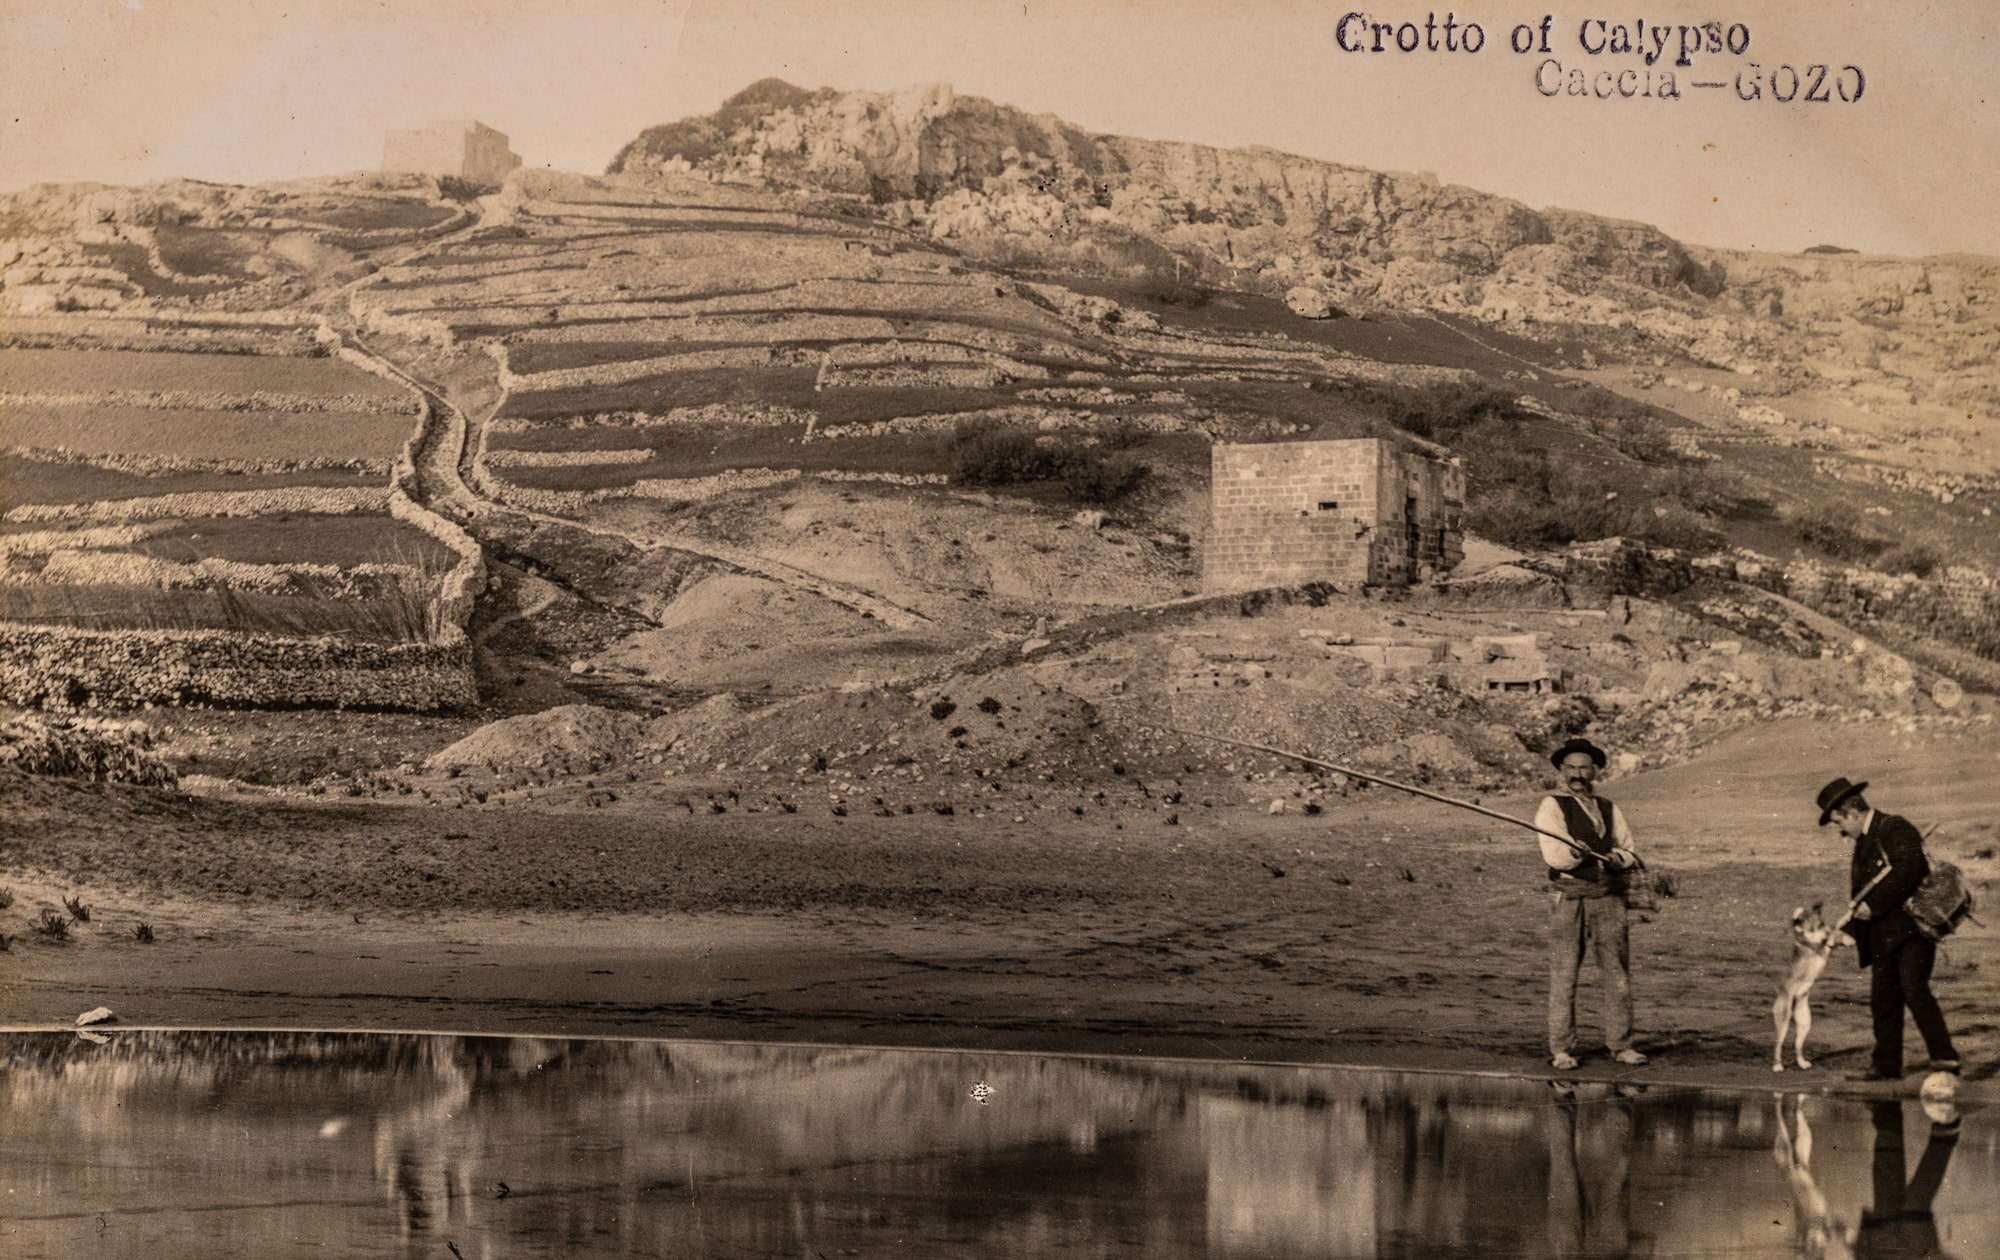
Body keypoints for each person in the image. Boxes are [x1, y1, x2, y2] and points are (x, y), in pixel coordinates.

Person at [1816, 778, 1960, 1081]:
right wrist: (1851, 932)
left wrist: (1875, 906)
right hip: (1883, 937)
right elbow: (1864, 898)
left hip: (1913, 933)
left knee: (1914, 990)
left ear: (1851, 813)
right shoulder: (1865, 840)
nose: (1841, 830)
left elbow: (1909, 868)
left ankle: (1945, 1059)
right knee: (1883, 998)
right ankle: (1886, 1066)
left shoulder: (1894, 828)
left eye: (1839, 822)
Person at [1535, 737, 1647, 1072]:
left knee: (1617, 975)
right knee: (1564, 975)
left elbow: (1628, 848)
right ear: (1562, 771)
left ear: (1594, 770)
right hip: (1569, 900)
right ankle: (1562, 1049)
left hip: (1609, 900)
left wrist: (1617, 858)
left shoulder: (1610, 808)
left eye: (1584, 767)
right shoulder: (1552, 806)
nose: (1578, 774)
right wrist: (1575, 852)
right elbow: (1554, 854)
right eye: (1571, 768)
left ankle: (1621, 1045)